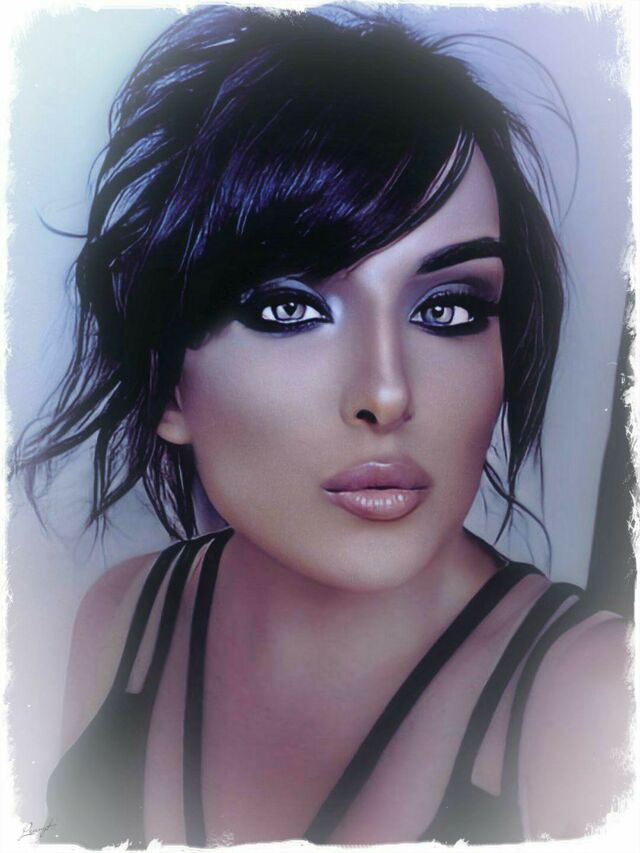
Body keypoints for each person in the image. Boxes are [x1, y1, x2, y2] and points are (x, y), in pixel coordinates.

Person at [10, 5, 632, 848]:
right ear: (168, 387)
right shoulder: (122, 620)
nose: (387, 393)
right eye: (288, 307)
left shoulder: (598, 705)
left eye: (448, 308)